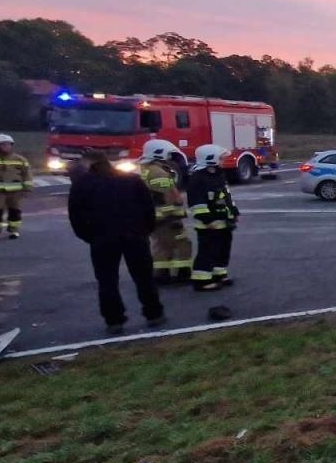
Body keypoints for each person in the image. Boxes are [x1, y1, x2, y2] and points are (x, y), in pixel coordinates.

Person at [67, 149, 166, 334]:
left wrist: (90, 237)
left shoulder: (82, 185)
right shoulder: (131, 179)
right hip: (135, 236)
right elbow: (148, 208)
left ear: (88, 163)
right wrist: (145, 230)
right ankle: (154, 313)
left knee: (107, 281)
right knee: (144, 277)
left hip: (102, 239)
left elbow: (76, 216)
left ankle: (114, 320)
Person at [186, 145, 239, 291]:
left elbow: (226, 196)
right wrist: (208, 220)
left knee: (222, 250)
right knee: (207, 252)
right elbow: (197, 203)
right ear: (210, 159)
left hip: (223, 222)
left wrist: (234, 212)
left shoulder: (218, 174)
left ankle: (219, 275)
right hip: (209, 224)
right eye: (221, 158)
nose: (223, 161)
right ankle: (201, 281)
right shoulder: (198, 178)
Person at [139, 139, 193, 282]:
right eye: (168, 154)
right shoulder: (159, 173)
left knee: (162, 245)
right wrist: (174, 217)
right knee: (182, 243)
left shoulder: (146, 170)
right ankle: (182, 273)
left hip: (154, 217)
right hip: (166, 217)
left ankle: (161, 273)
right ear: (159, 154)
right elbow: (166, 198)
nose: (170, 158)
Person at [0, 133, 34, 241]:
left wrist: (27, 189)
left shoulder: (20, 159)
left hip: (16, 192)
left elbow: (27, 174)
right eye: (3, 144)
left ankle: (14, 231)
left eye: (8, 144)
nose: (6, 146)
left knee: (15, 211)